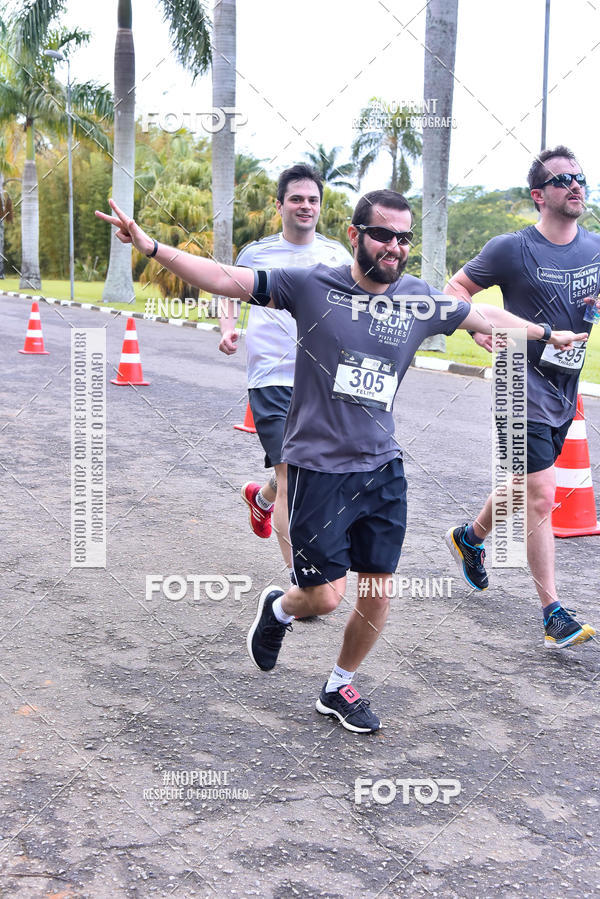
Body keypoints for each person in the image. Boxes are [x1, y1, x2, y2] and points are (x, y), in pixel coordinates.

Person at [96, 190, 586, 733]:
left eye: (404, 238)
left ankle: (337, 685)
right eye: (383, 235)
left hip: (382, 467)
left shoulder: (418, 301)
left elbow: (479, 311)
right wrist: (151, 246)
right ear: (355, 235)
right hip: (317, 467)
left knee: (378, 589)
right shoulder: (310, 286)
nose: (394, 247)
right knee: (326, 597)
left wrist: (543, 331)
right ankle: (280, 609)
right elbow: (222, 277)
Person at [444, 145, 597, 649]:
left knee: (521, 487)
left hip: (564, 384)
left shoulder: (595, 248)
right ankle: (552, 611)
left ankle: (471, 537)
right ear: (539, 195)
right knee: (540, 495)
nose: (576, 185)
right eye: (564, 180)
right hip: (516, 379)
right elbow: (455, 292)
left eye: (581, 178)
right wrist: (475, 331)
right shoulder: (511, 248)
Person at [219, 164, 351, 581]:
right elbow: (228, 292)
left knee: (313, 473)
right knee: (292, 477)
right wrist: (227, 329)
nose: (305, 206)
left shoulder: (336, 256)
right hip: (271, 379)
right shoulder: (256, 253)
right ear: (279, 206)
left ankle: (261, 498)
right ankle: (301, 579)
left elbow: (355, 308)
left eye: (312, 200)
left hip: (323, 380)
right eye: (296, 199)